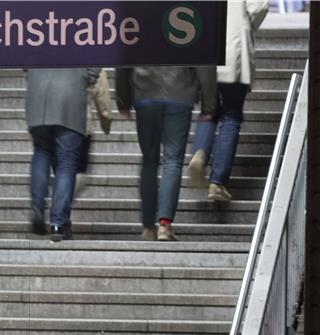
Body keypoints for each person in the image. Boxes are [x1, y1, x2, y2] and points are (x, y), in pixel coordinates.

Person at [116, 66, 216, 241]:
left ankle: (148, 227)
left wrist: (123, 99)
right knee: (173, 161)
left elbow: (124, 58)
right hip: (180, 92)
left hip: (145, 93)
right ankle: (164, 225)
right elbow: (204, 61)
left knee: (149, 161)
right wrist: (209, 104)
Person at [188, 0, 269, 201]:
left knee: (209, 111)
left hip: (205, 50)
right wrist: (247, 23)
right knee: (231, 115)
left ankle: (200, 153)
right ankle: (217, 182)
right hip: (234, 49)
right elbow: (259, 7)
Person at [26, 68, 99, 242]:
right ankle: (58, 222)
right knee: (67, 162)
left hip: (38, 91)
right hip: (70, 93)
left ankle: (37, 205)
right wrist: (88, 76)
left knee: (41, 150)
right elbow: (97, 53)